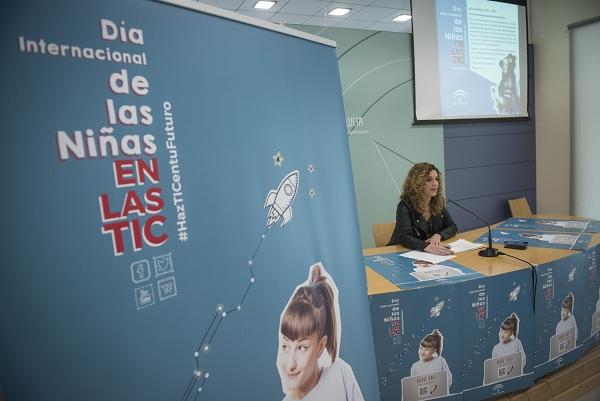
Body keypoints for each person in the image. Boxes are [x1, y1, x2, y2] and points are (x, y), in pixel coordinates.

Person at [276, 262, 364, 401]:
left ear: (321, 346)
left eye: (301, 347)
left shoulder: (340, 373)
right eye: (285, 346)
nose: (290, 364)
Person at [387, 163, 457, 255]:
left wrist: (438, 235)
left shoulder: (438, 202)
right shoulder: (405, 205)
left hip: (426, 255)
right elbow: (404, 237)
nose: (435, 183)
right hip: (402, 253)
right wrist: (426, 246)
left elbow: (452, 226)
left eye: (436, 179)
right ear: (417, 184)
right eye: (429, 180)